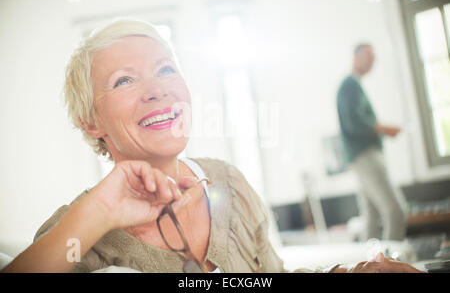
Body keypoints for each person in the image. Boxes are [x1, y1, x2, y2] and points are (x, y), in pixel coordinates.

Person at [2, 22, 420, 273]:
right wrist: (100, 210)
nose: (158, 90)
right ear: (90, 122)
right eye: (125, 80)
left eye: (166, 69)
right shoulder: (75, 232)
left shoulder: (229, 183)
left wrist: (342, 271)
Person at [337, 44, 406, 242]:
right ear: (355, 57)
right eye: (369, 56)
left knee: (372, 216)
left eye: (374, 57)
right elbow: (354, 122)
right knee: (395, 211)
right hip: (365, 155)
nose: (372, 61)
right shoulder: (350, 85)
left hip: (360, 156)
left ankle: (370, 266)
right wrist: (385, 129)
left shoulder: (353, 85)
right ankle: (390, 265)